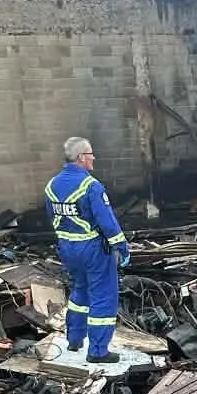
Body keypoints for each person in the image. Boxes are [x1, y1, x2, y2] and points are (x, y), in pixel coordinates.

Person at [44, 135, 130, 363]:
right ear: (82, 157)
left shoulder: (51, 185)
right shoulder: (91, 186)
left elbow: (53, 217)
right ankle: (98, 351)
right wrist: (122, 247)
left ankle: (74, 339)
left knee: (79, 291)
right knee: (103, 296)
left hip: (67, 248)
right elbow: (107, 222)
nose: (93, 158)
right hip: (92, 249)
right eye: (91, 154)